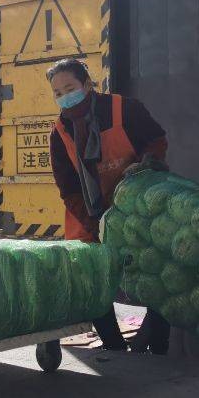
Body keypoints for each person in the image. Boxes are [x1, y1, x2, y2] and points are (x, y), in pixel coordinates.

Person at [48, 59, 171, 354]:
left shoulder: (124, 109)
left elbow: (157, 140)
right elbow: (68, 189)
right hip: (90, 213)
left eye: (70, 88)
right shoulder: (59, 132)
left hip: (139, 206)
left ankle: (156, 345)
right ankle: (114, 346)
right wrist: (98, 223)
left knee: (158, 272)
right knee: (94, 279)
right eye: (58, 93)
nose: (65, 97)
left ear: (87, 84)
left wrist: (146, 164)